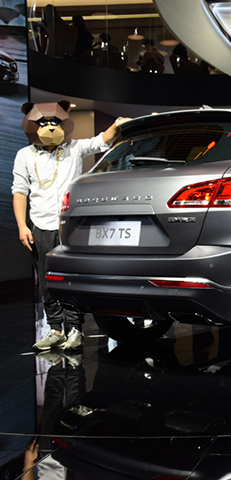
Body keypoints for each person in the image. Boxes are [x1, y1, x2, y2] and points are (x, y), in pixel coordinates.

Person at [12, 100, 129, 351]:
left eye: (55, 122)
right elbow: (20, 191)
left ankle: (75, 329)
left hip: (71, 225)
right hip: (40, 225)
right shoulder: (24, 155)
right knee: (46, 281)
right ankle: (55, 329)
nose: (50, 127)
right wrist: (22, 225)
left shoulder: (74, 147)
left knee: (71, 279)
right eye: (43, 123)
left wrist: (119, 124)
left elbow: (101, 141)